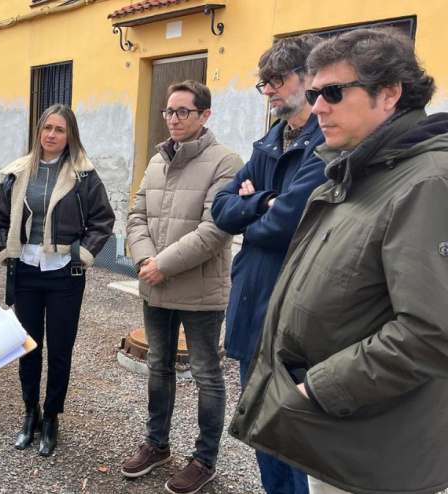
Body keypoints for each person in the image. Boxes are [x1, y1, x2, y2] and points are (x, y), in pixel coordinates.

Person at [230, 27, 448, 494]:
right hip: (337, 433)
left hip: (371, 451)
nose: (318, 106)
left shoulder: (426, 183)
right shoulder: (356, 166)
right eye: (312, 93)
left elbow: (432, 332)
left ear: (389, 93)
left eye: (332, 92)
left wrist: (318, 389)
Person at [211, 34, 325, 494]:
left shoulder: (326, 145)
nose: (270, 91)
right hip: (255, 303)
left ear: (308, 78)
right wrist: (267, 203)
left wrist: (251, 212)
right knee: (262, 429)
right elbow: (220, 208)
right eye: (265, 83)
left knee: (296, 438)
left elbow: (288, 225)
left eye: (277, 80)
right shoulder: (268, 144)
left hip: (296, 313)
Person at [122, 81, 242, 494]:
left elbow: (217, 229)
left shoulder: (226, 161)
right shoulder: (157, 160)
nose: (173, 119)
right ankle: (157, 444)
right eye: (168, 112)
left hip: (200, 291)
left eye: (182, 112)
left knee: (207, 374)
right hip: (154, 284)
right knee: (159, 366)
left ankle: (204, 458)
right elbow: (136, 214)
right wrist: (143, 260)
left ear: (204, 115)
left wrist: (163, 265)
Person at [0, 104, 114, 457]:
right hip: (25, 271)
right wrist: (5, 249)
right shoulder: (17, 172)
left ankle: (53, 417)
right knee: (27, 346)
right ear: (38, 131)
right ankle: (31, 413)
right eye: (47, 128)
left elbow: (103, 220)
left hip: (64, 273)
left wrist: (84, 255)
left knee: (59, 350)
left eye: (59, 129)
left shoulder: (84, 175)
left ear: (69, 135)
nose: (52, 135)